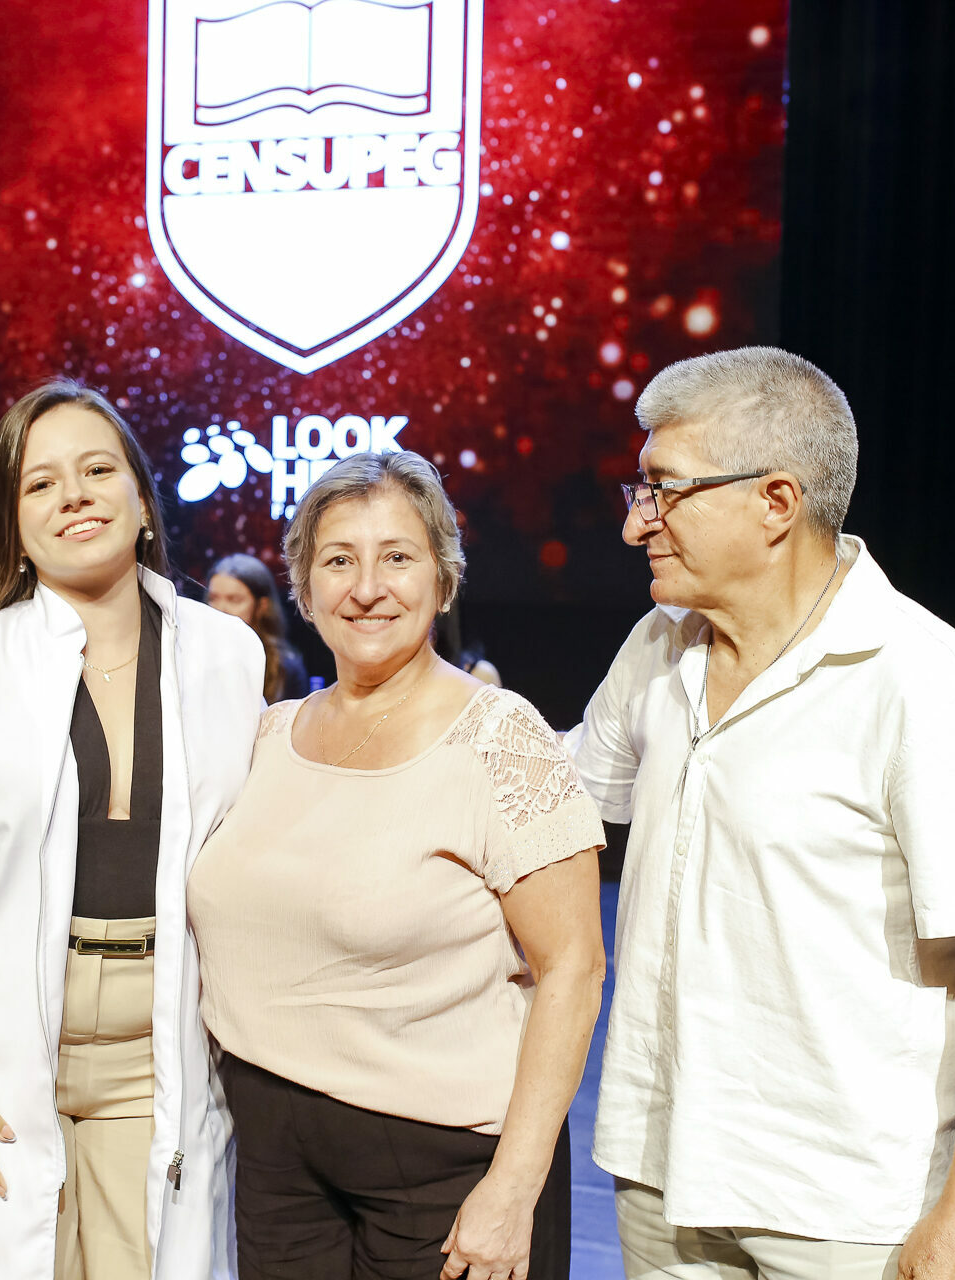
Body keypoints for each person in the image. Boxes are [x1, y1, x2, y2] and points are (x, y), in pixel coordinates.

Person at [567, 347, 955, 1280]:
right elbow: (562, 794)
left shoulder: (922, 682)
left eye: (663, 491)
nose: (636, 524)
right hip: (662, 1172)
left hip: (844, 1209)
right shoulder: (659, 645)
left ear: (776, 502)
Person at [0, 379, 263, 1280]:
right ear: (12, 521)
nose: (74, 495)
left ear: (142, 500)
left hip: (160, 1054)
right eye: (40, 483)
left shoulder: (226, 653)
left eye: (97, 471)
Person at [187, 450, 606, 1280]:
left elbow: (575, 969)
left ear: (443, 580)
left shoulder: (502, 739)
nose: (367, 588)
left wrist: (512, 1190)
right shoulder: (267, 734)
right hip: (275, 1166)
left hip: (447, 1173)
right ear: (303, 589)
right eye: (339, 561)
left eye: (398, 557)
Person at [206, 552, 309, 700]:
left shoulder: (285, 668)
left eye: (234, 600)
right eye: (213, 598)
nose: (220, 609)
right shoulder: (194, 653)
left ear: (262, 606)